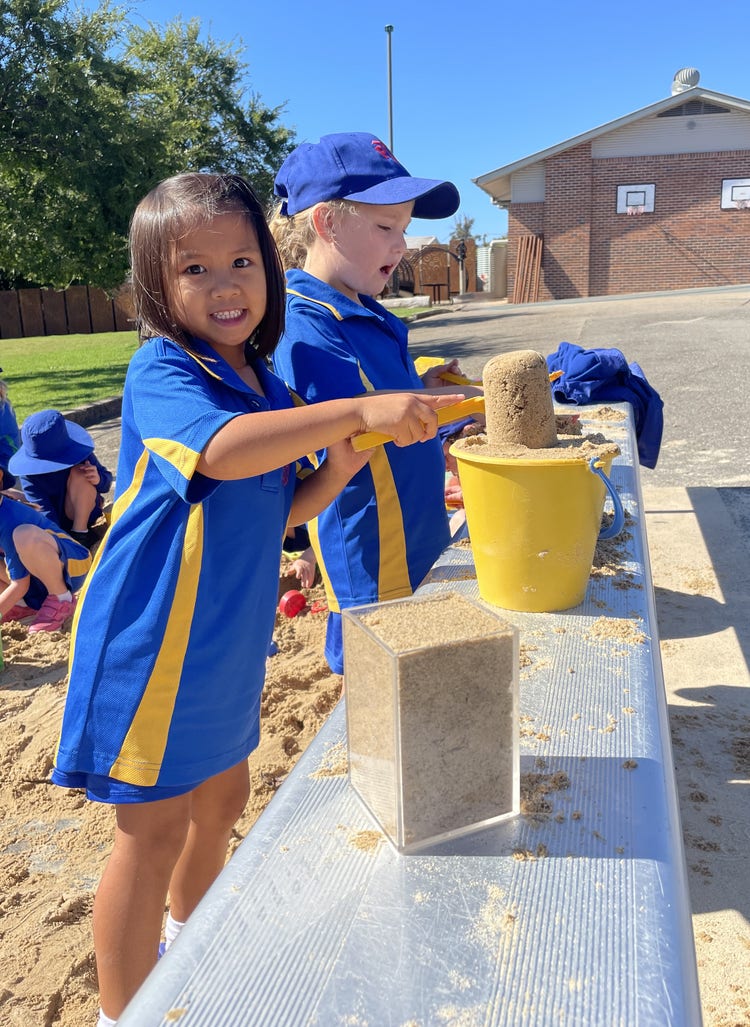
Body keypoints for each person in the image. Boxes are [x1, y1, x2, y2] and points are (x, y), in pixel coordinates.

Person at [48, 171, 462, 1026]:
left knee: (225, 798)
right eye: (194, 269)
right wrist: (355, 406)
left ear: (271, 270)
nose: (226, 283)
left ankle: (189, 935)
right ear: (155, 288)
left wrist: (342, 461)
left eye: (242, 259)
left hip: (226, 639)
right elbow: (228, 454)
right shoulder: (163, 372)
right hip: (152, 644)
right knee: (151, 832)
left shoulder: (262, 378)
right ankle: (122, 1013)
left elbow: (282, 507)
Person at [269, 131, 475, 674]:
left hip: (418, 527)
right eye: (386, 227)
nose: (401, 245)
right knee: (379, 678)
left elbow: (382, 393)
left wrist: (427, 388)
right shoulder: (302, 323)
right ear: (326, 223)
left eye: (404, 229)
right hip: (374, 550)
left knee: (425, 673)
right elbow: (354, 421)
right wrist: (467, 403)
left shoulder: (367, 311)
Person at [0, 466, 92, 632]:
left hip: (71, 567)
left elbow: (20, 583)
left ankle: (61, 598)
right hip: (33, 575)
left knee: (24, 535)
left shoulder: (9, 518)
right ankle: (23, 606)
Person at [9, 410, 113, 548]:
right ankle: (72, 540)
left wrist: (98, 479)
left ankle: (80, 534)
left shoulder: (81, 455)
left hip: (85, 513)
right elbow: (44, 510)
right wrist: (60, 538)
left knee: (81, 472)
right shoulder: (30, 475)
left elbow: (106, 483)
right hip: (57, 522)